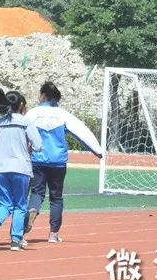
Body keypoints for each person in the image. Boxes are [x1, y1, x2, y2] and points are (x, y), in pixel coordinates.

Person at [24, 81, 103, 244]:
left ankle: (33, 209)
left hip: (37, 160)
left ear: (42, 95)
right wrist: (98, 151)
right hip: (58, 162)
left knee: (37, 192)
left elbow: (21, 131)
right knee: (56, 197)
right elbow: (82, 132)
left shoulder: (32, 113)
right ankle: (53, 233)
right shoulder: (63, 114)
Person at [0, 88, 42, 251]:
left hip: (2, 169)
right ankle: (16, 239)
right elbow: (38, 145)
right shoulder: (25, 123)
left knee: (4, 203)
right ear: (21, 105)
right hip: (21, 168)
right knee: (20, 205)